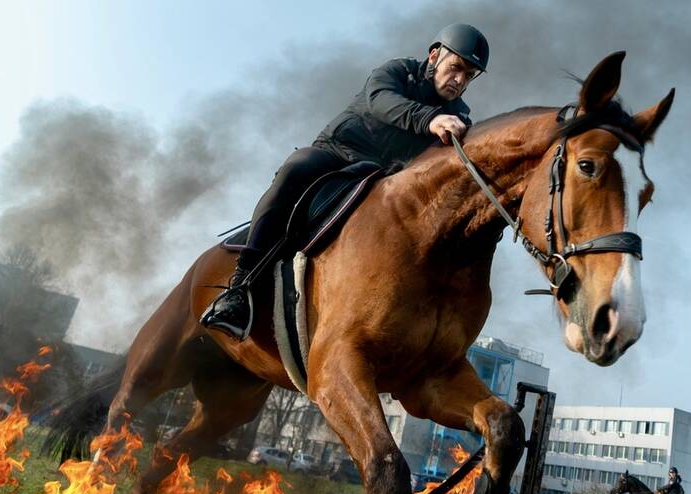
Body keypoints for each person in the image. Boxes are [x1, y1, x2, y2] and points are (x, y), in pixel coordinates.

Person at [200, 23, 489, 340]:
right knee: (294, 170)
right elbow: (381, 101)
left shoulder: (459, 117)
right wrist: (429, 119)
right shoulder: (396, 72)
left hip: (384, 182)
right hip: (336, 155)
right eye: (456, 68)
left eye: (469, 75)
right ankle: (240, 288)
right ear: (434, 56)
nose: (460, 80)